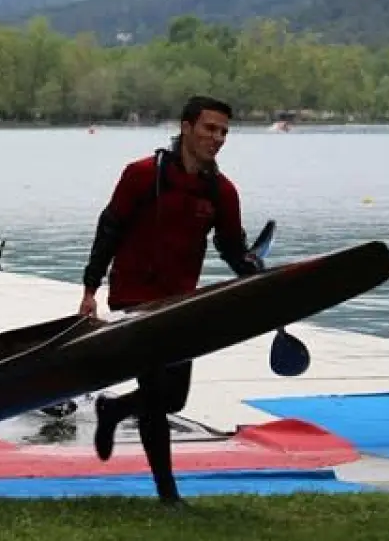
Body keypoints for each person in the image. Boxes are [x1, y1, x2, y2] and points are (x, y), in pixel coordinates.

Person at [77, 95, 263, 505]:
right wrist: (90, 290)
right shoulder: (142, 175)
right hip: (136, 299)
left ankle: (114, 410)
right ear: (186, 127)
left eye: (224, 132)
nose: (217, 138)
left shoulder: (221, 191)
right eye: (210, 128)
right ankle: (168, 494)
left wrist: (258, 278)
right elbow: (109, 229)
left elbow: (232, 247)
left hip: (181, 303)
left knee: (173, 397)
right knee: (155, 387)